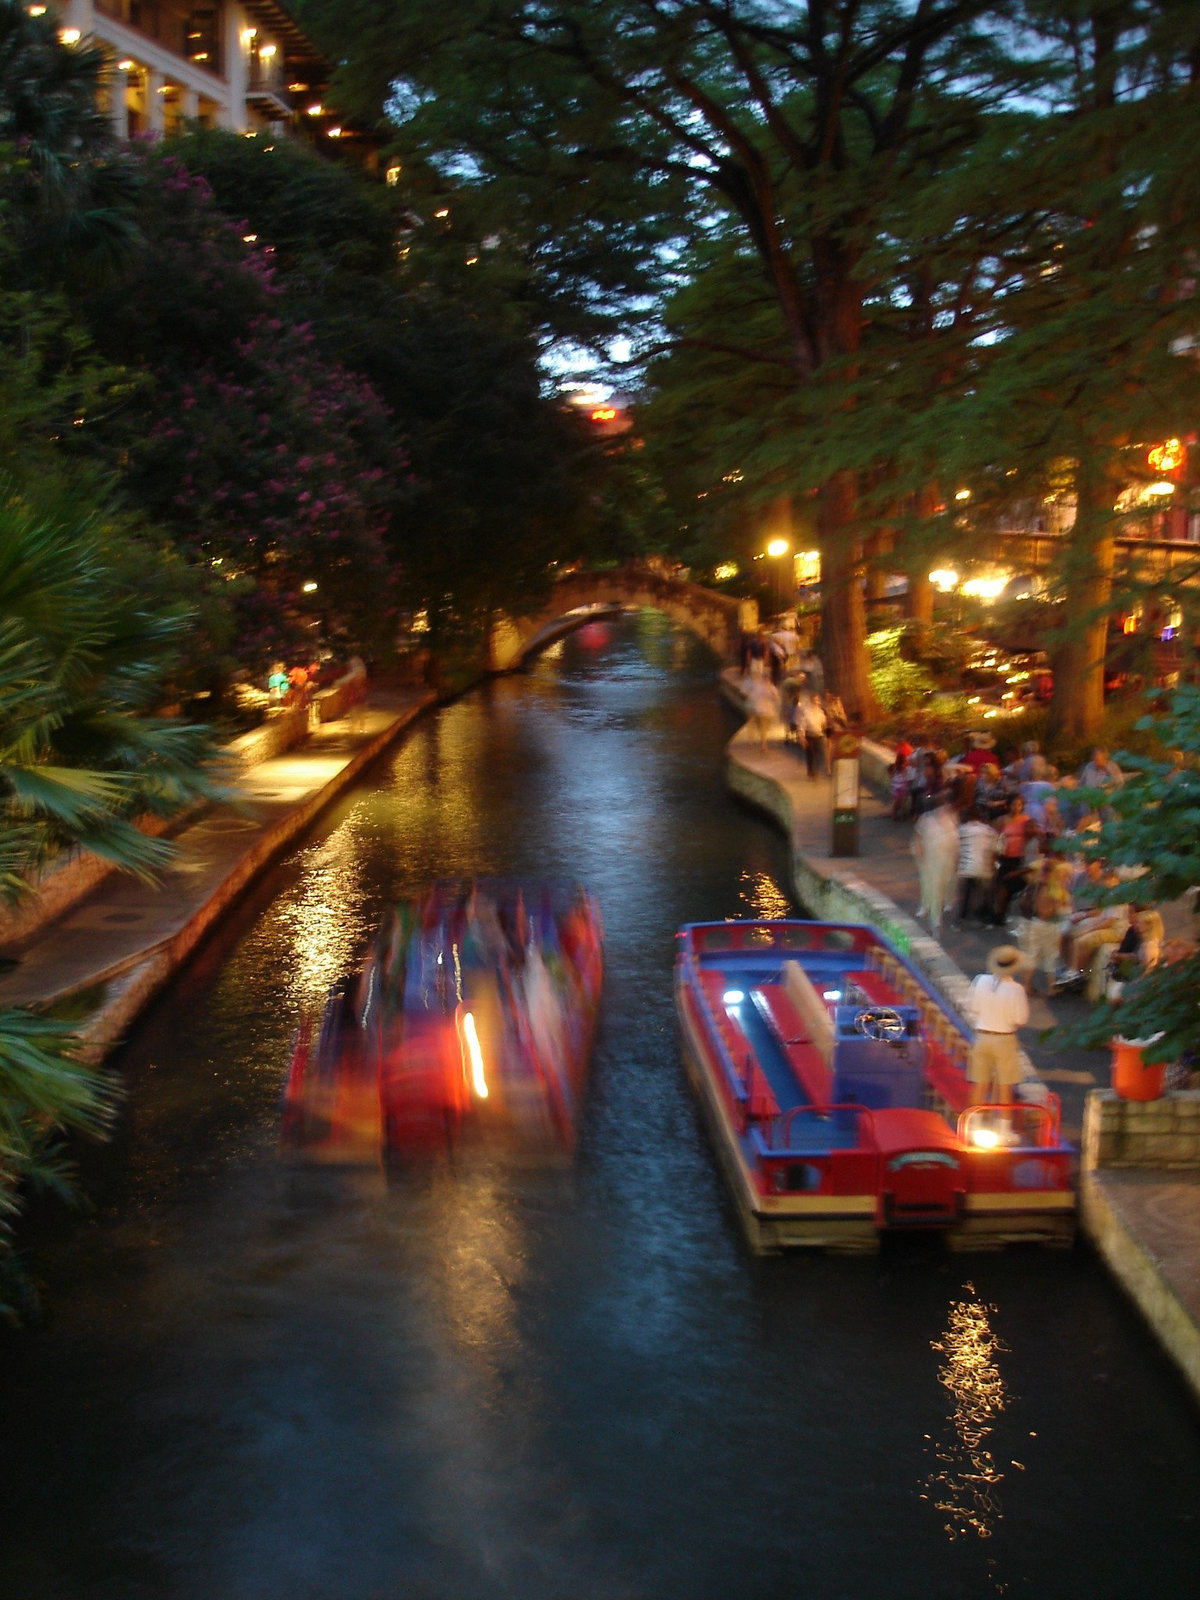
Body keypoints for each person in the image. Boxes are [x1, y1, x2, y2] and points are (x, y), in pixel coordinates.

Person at [964, 945, 1031, 1116]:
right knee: (1005, 1085)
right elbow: (1021, 1020)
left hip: (982, 1036)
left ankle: (973, 1123)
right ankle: (1004, 1127)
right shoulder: (1016, 990)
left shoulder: (980, 980)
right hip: (1004, 1038)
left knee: (979, 1083)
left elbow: (973, 1007)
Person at [911, 794, 960, 935]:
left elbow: (956, 841)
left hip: (947, 860)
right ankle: (935, 917)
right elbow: (918, 838)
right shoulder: (926, 820)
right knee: (932, 887)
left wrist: (956, 858)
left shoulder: (951, 819)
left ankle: (937, 907)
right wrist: (921, 856)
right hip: (931, 860)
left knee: (944, 885)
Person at [991, 794, 1037, 925]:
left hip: (1019, 858)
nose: (1016, 808)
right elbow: (996, 836)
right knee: (1000, 886)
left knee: (1007, 887)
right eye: (1014, 805)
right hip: (1005, 856)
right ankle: (999, 913)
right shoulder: (1003, 820)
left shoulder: (1026, 820)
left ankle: (1000, 915)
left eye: (1019, 805)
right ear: (1008, 805)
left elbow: (1032, 834)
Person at [957, 805, 999, 923]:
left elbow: (956, 848)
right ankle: (984, 917)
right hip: (984, 869)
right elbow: (997, 848)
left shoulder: (962, 829)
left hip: (967, 868)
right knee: (984, 894)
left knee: (966, 894)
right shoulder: (989, 830)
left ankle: (963, 917)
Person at [744, 674, 781, 754]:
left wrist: (773, 696)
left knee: (764, 729)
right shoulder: (758, 687)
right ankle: (763, 745)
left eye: (768, 679)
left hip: (767, 712)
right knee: (762, 728)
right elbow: (753, 698)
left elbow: (777, 699)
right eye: (765, 679)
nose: (766, 681)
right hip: (760, 711)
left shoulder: (772, 688)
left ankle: (760, 744)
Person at [798, 694, 828, 779]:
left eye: (817, 700)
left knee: (818, 754)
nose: (816, 702)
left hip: (818, 735)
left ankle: (816, 770)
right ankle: (810, 771)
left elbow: (824, 723)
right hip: (810, 736)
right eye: (815, 700)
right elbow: (802, 725)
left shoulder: (821, 712)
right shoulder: (807, 712)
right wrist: (802, 737)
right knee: (810, 753)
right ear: (811, 701)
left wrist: (825, 729)